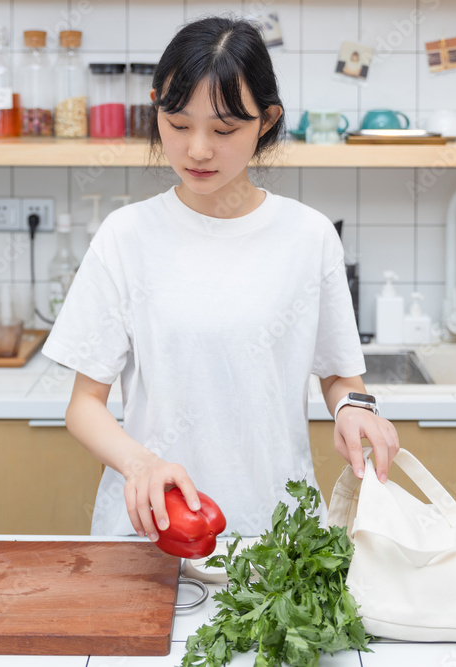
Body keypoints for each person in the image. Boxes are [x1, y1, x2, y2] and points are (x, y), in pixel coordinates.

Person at [42, 16, 399, 541]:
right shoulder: (126, 236)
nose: (198, 150)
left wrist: (354, 410)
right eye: (178, 125)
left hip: (279, 538)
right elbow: (83, 405)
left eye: (224, 129)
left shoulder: (309, 236)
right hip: (153, 531)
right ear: (155, 107)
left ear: (267, 120)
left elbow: (340, 377)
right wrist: (139, 463)